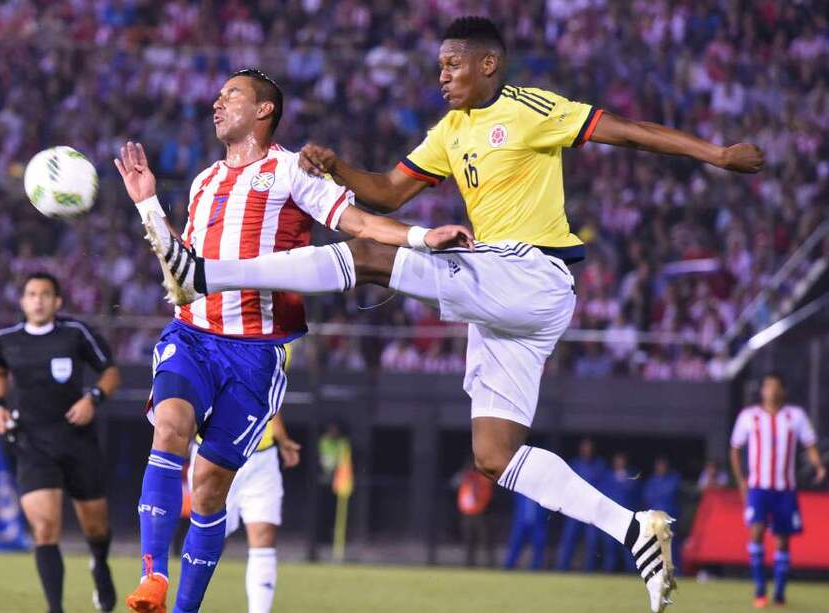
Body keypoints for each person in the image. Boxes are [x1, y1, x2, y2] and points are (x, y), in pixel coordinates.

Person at [142, 17, 763, 612]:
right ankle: (636, 532)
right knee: (494, 456)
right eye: (439, 65)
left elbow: (626, 130)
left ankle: (204, 274)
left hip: (530, 272)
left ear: (487, 65)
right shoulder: (449, 130)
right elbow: (386, 191)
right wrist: (336, 169)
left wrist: (716, 154)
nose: (441, 75)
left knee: (368, 255)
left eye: (452, 64)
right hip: (500, 305)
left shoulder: (530, 108)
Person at [113, 68, 471, 613]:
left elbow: (360, 225)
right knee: (170, 429)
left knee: (210, 488)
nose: (216, 102)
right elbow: (178, 269)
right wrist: (146, 206)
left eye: (230, 94)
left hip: (255, 354)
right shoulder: (203, 182)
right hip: (192, 335)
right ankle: (153, 578)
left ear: (263, 111)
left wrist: (423, 237)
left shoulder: (289, 171)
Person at [0, 272, 120, 613]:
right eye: (32, 294)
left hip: (77, 440)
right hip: (32, 443)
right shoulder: (6, 339)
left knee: (96, 525)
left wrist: (93, 398)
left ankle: (99, 564)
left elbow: (110, 372)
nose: (39, 300)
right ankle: (54, 609)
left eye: (46, 294)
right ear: (23, 301)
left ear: (58, 301)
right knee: (44, 528)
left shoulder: (75, 334)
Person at [729, 373, 826, 608]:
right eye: (767, 387)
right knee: (757, 531)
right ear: (761, 391)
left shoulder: (796, 416)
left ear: (782, 391)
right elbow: (734, 449)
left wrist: (819, 466)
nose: (771, 391)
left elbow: (810, 444)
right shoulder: (749, 416)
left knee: (783, 541)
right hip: (758, 487)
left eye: (775, 387)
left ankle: (780, 592)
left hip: (785, 489)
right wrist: (741, 481)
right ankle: (760, 589)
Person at [189, 411, 299, 613]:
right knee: (206, 539)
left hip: (262, 457)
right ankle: (186, 608)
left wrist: (281, 438)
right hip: (215, 453)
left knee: (263, 537)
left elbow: (272, 396)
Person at [556, 438, 607, 572]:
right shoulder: (574, 464)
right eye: (584, 447)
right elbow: (566, 485)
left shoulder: (599, 465)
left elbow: (603, 487)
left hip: (591, 509)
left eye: (589, 447)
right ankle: (562, 569)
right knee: (568, 538)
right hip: (574, 508)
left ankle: (590, 571)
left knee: (592, 542)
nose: (586, 450)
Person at [601, 452, 642, 573]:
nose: (619, 463)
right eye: (617, 460)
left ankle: (631, 573)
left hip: (627, 518)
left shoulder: (632, 476)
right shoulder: (608, 476)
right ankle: (608, 572)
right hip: (612, 517)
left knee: (628, 548)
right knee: (610, 548)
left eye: (622, 460)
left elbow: (637, 497)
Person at [641, 458, 681, 572]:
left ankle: (676, 573)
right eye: (659, 465)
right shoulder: (651, 481)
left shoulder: (673, 479)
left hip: (669, 519)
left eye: (663, 465)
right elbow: (647, 499)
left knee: (671, 548)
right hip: (654, 520)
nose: (661, 468)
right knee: (653, 548)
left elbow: (671, 495)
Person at [503, 493, 548, 571]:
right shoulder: (521, 490)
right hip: (521, 522)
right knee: (515, 544)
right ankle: (508, 567)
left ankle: (536, 568)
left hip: (537, 522)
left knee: (538, 544)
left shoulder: (541, 492)